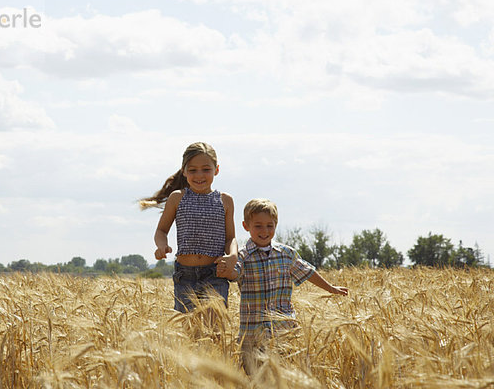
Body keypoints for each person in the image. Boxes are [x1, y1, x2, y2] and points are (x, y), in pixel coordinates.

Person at [217, 198, 348, 374]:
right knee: (254, 378)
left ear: (276, 225)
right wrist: (226, 271)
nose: (264, 231)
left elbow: (307, 272)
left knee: (284, 376)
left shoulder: (286, 254)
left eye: (269, 226)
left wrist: (331, 288)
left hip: (284, 332)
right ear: (246, 226)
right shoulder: (243, 256)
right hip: (252, 334)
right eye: (258, 226)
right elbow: (235, 273)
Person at [140, 142, 238, 313]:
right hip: (185, 276)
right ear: (184, 171)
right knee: (189, 333)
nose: (199, 175)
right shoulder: (177, 198)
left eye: (206, 169)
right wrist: (161, 245)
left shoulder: (225, 200)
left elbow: (230, 238)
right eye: (192, 170)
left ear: (217, 170)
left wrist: (232, 255)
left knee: (214, 330)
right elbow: (161, 231)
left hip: (215, 274)